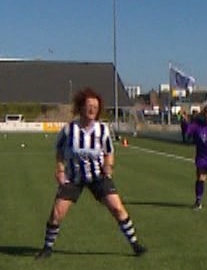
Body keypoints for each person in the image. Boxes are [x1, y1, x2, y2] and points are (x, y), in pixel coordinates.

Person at [36, 88, 145, 258]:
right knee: (57, 213)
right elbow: (58, 149)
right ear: (81, 108)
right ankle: (47, 248)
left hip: (98, 177)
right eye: (89, 105)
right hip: (73, 177)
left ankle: (135, 244)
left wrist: (109, 167)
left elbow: (109, 151)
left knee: (117, 208)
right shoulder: (69, 130)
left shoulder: (103, 130)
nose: (92, 109)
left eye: (96, 106)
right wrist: (60, 169)